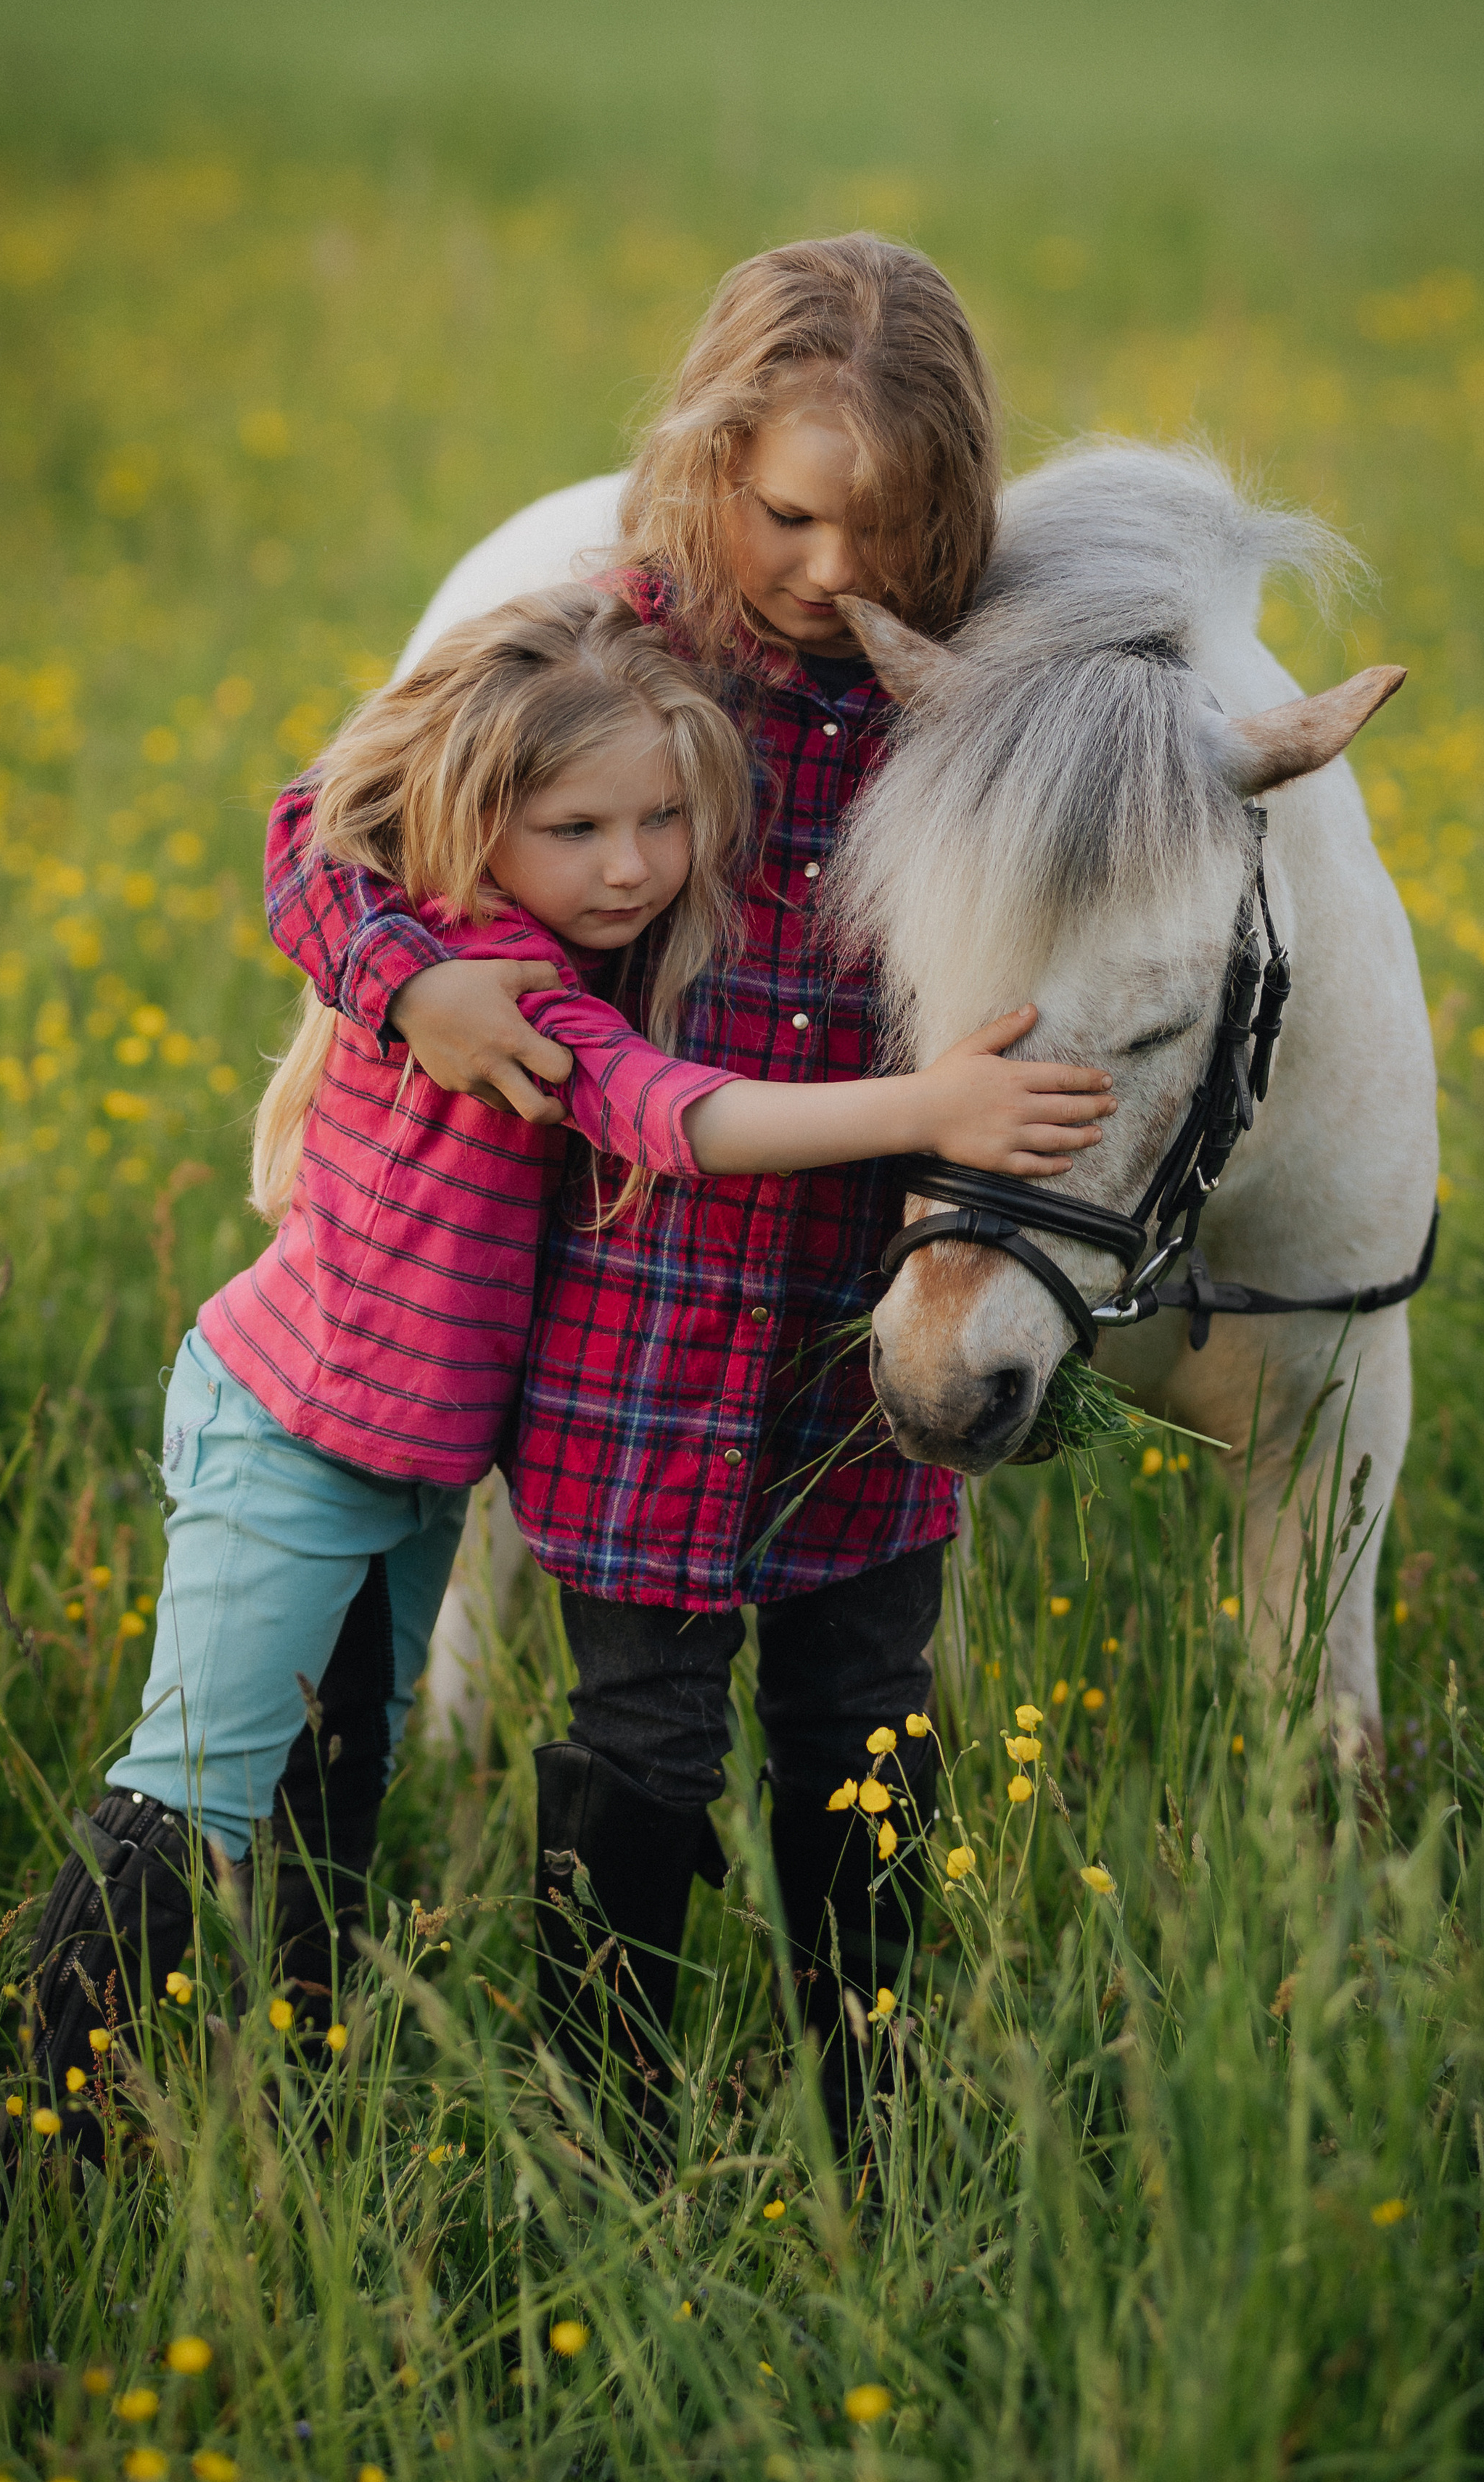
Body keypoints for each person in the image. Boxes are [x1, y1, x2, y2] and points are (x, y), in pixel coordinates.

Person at [22, 580, 1110, 2146]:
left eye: (662, 823)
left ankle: (292, 2089)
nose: (630, 867)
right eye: (576, 829)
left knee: (338, 1771)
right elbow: (675, 1117)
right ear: (478, 822)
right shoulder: (499, 974)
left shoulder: (548, 951)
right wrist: (925, 1111)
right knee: (195, 1779)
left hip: (415, 1460)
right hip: (293, 1429)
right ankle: (54, 2123)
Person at [265, 234, 1113, 2144]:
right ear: (713, 460)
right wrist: (414, 981)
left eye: (884, 531)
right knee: (638, 1731)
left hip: (860, 1331)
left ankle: (872, 2112)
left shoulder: (969, 705)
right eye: (791, 515)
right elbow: (317, 831)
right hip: (630, 1339)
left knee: (862, 1715)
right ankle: (606, 2131)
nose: (830, 570)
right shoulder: (614, 651)